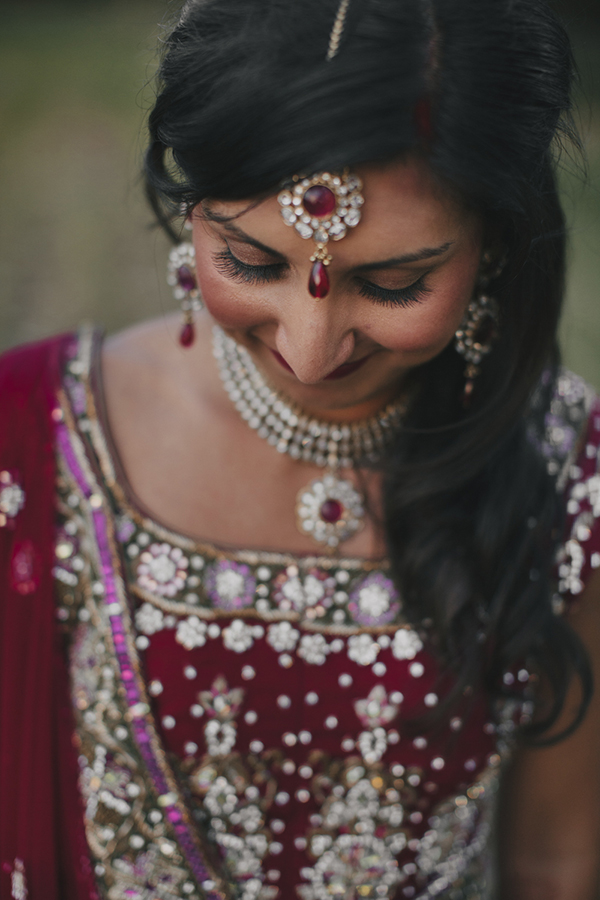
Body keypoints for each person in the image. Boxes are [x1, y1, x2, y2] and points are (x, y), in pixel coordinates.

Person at [1, 0, 600, 898]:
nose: (310, 350)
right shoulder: (27, 437)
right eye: (249, 263)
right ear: (194, 207)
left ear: (498, 247)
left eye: (394, 282)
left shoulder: (564, 473)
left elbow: (555, 861)